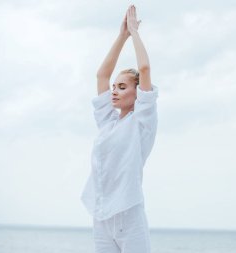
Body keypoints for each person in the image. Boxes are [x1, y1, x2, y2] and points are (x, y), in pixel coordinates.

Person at [80, 4, 158, 253]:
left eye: (122, 87)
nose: (114, 90)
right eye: (116, 86)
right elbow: (102, 76)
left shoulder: (142, 123)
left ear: (138, 93)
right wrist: (121, 35)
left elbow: (144, 69)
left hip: (129, 215)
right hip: (102, 216)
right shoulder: (108, 122)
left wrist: (134, 32)